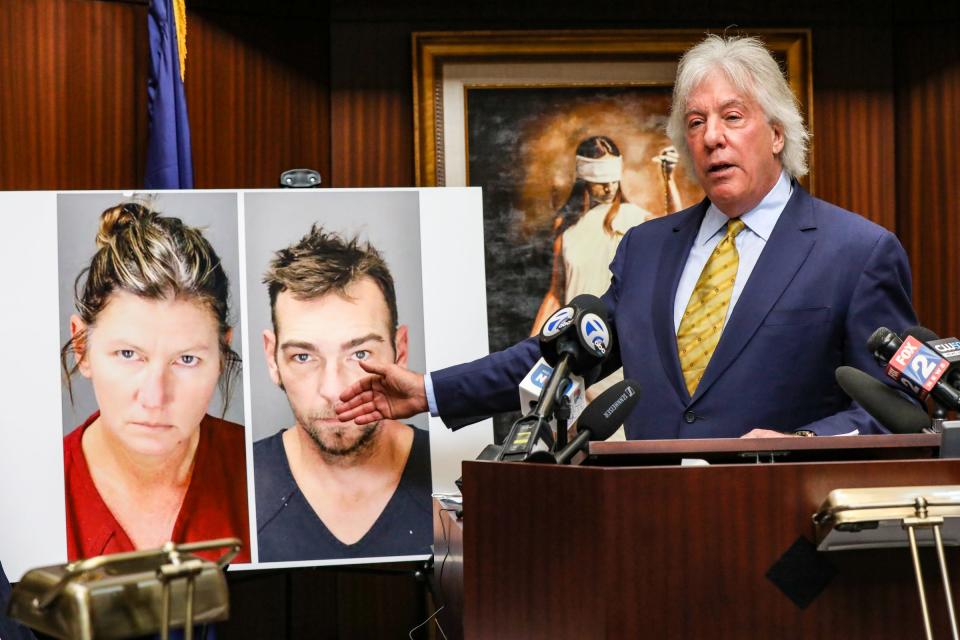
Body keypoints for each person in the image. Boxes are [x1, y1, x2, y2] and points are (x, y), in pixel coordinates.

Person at [335, 34, 917, 440]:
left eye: (733, 117)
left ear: (776, 133)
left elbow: (902, 405)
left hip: (784, 539)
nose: (712, 137)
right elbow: (566, 354)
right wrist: (431, 391)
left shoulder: (857, 252)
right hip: (648, 539)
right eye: (695, 122)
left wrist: (800, 442)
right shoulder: (647, 248)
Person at [61, 202, 250, 562]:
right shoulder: (31, 493)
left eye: (186, 359)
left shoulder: (260, 474)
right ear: (82, 347)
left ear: (222, 355)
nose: (154, 397)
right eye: (129, 355)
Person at [254, 226, 432, 561]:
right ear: (272, 358)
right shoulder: (235, 488)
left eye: (360, 354)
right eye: (304, 357)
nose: (334, 391)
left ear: (400, 350)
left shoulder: (457, 480)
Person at [531, 136, 680, 334]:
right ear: (584, 181)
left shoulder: (634, 219)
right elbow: (556, 293)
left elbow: (677, 230)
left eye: (613, 180)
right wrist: (534, 343)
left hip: (622, 340)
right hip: (577, 340)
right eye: (600, 182)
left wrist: (668, 178)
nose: (609, 188)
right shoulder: (567, 227)